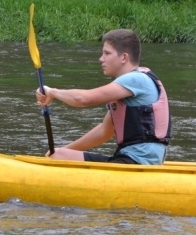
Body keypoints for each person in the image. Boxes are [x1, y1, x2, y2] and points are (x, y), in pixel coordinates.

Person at [35, 29, 171, 165]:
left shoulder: (136, 80)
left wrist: (52, 92)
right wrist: (62, 152)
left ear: (124, 57)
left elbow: (82, 99)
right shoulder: (128, 86)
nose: (101, 59)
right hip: (130, 159)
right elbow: (104, 131)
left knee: (62, 155)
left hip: (136, 162)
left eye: (107, 53)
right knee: (61, 154)